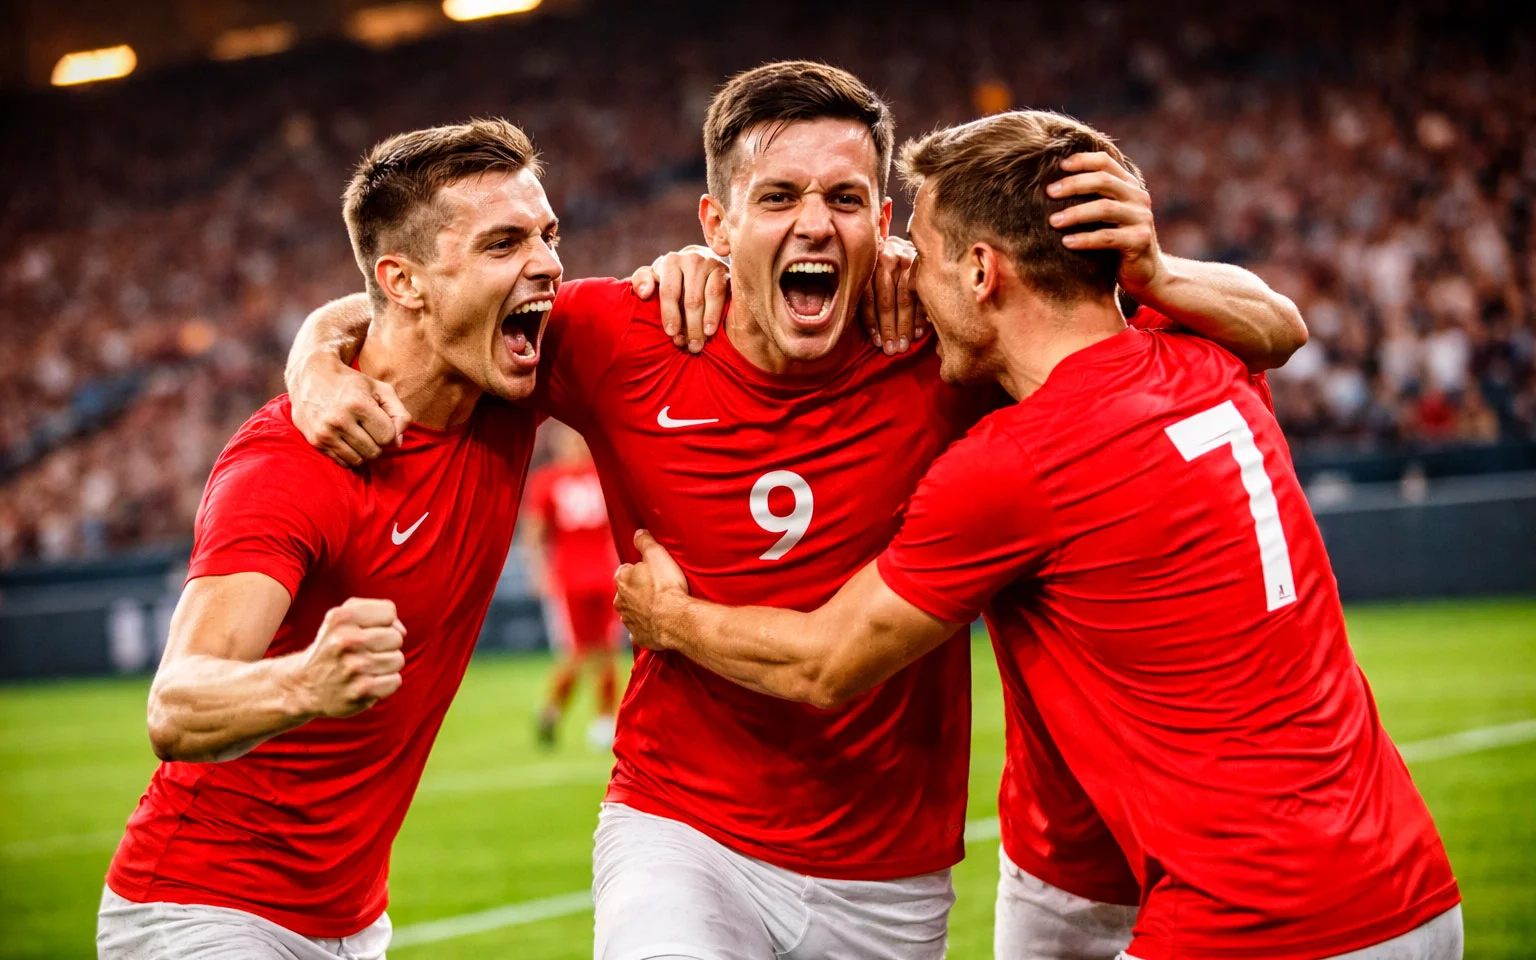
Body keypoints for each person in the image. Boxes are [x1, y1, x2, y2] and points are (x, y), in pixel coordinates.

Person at [288, 63, 1305, 960]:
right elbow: (438, 304)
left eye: (846, 198)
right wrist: (315, 359)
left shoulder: (952, 347)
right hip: (679, 827)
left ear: (885, 226)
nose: (815, 222)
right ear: (716, 226)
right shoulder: (620, 333)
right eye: (777, 196)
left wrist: (1157, 270)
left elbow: (1267, 330)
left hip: (889, 866)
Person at [613, 109, 1462, 960]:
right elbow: (1280, 322)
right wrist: (1157, 272)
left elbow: (827, 662)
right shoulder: (1208, 356)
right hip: (1410, 882)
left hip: (1252, 913)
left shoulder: (1016, 463)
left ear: (982, 272)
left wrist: (672, 619)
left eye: (921, 256)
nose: (904, 281)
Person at [96, 118, 723, 960]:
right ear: (407, 280)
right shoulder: (292, 464)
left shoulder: (512, 373)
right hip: (200, 910)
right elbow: (176, 705)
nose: (545, 263)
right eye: (504, 242)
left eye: (548, 234)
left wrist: (697, 265)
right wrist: (306, 682)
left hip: (352, 921)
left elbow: (375, 310)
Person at [524, 422, 623, 750]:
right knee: (577, 653)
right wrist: (539, 572)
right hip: (569, 580)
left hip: (606, 576)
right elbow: (535, 532)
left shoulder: (604, 473)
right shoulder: (547, 481)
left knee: (607, 651)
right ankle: (552, 711)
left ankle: (605, 720)